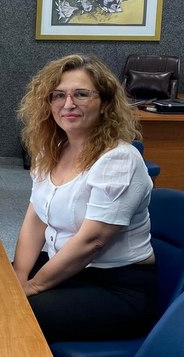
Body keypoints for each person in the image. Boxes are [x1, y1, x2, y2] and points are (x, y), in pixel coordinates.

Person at [12, 54, 157, 343]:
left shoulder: (119, 159)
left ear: (104, 103)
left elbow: (93, 241)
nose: (68, 104)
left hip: (114, 287)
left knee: (13, 312)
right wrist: (19, 273)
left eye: (81, 94)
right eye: (58, 95)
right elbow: (36, 218)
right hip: (65, 269)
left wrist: (33, 286)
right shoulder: (50, 150)